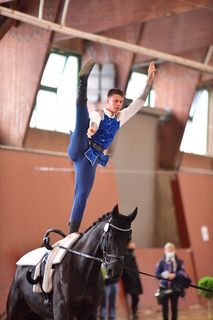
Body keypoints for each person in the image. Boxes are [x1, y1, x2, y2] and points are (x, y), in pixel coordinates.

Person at [67, 59, 156, 234]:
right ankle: (83, 80)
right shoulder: (98, 112)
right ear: (108, 101)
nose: (118, 104)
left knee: (82, 194)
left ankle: (71, 233)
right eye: (115, 101)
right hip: (81, 144)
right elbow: (94, 120)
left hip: (91, 158)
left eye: (121, 102)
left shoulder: (120, 117)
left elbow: (138, 102)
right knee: (81, 115)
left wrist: (149, 81)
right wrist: (92, 129)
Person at [155, 242, 191, 320]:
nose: (170, 252)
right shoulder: (161, 262)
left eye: (171, 251)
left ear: (174, 251)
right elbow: (157, 275)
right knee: (165, 309)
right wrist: (163, 275)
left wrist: (175, 275)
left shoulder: (179, 262)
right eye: (168, 251)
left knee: (174, 308)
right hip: (164, 288)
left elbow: (183, 273)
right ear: (165, 251)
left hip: (175, 289)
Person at [122, 240, 143, 320]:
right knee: (134, 297)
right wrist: (132, 277)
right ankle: (132, 313)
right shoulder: (126, 254)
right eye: (132, 244)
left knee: (136, 297)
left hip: (134, 279)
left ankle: (134, 312)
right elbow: (126, 269)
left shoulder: (131, 254)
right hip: (130, 281)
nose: (134, 245)